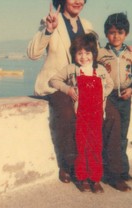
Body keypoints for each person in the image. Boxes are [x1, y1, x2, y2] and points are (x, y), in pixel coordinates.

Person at [27, 0, 94, 184]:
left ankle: (113, 169)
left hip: (82, 85)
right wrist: (48, 30)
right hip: (55, 85)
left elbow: (95, 55)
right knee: (66, 113)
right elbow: (32, 54)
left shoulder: (87, 26)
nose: (78, 1)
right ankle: (70, 166)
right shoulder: (50, 20)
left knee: (109, 113)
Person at [49, 33, 114, 193]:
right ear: (74, 54)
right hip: (81, 115)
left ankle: (95, 179)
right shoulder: (72, 69)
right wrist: (68, 89)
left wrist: (102, 94)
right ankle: (83, 178)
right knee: (81, 146)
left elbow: (110, 84)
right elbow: (53, 80)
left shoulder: (99, 69)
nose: (83, 57)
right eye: (79, 53)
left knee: (95, 147)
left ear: (93, 54)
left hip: (97, 114)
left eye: (87, 53)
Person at [98, 12, 132, 191]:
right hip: (108, 100)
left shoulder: (131, 55)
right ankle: (111, 174)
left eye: (120, 32)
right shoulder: (100, 54)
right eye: (111, 32)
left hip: (125, 100)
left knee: (122, 135)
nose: (115, 36)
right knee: (110, 136)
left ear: (126, 34)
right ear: (106, 34)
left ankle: (123, 170)